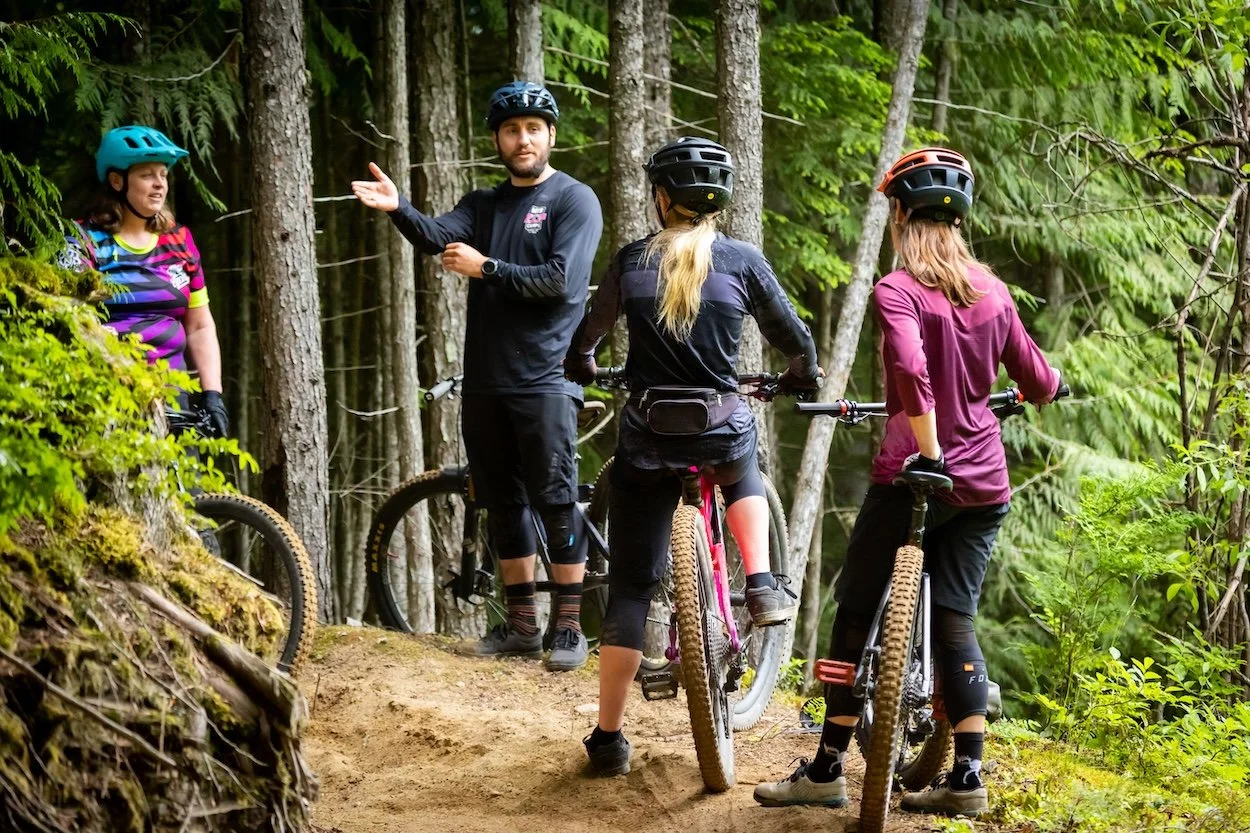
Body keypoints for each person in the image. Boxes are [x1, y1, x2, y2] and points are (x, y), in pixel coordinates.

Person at [753, 147, 1060, 816]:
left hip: (911, 478)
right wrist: (1046, 387)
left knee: (856, 605)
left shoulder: (896, 289)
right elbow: (1037, 380)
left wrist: (928, 450)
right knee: (956, 617)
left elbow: (914, 373)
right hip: (983, 487)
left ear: (898, 213)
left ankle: (829, 766)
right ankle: (969, 778)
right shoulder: (993, 291)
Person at [565, 136, 822, 777]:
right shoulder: (741, 261)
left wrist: (589, 367)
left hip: (648, 438)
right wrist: (800, 374)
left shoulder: (630, 264)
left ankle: (607, 738)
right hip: (718, 428)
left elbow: (585, 342)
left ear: (662, 197)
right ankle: (761, 583)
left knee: (628, 588)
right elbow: (796, 339)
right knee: (743, 464)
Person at [351, 81, 604, 672]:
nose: (523, 139)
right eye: (512, 130)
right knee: (503, 503)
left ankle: (568, 628)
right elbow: (440, 236)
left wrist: (486, 266)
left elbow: (561, 282)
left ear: (550, 136)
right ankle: (522, 626)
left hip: (545, 379)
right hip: (486, 381)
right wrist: (400, 210)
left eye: (533, 129)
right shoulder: (485, 204)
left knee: (556, 501)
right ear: (497, 139)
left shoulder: (574, 200)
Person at [59, 125, 228, 436]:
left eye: (163, 174)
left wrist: (212, 394)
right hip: (106, 392)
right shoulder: (82, 240)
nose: (159, 184)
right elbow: (71, 322)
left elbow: (200, 325)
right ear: (116, 181)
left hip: (174, 395)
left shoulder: (180, 240)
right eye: (147, 175)